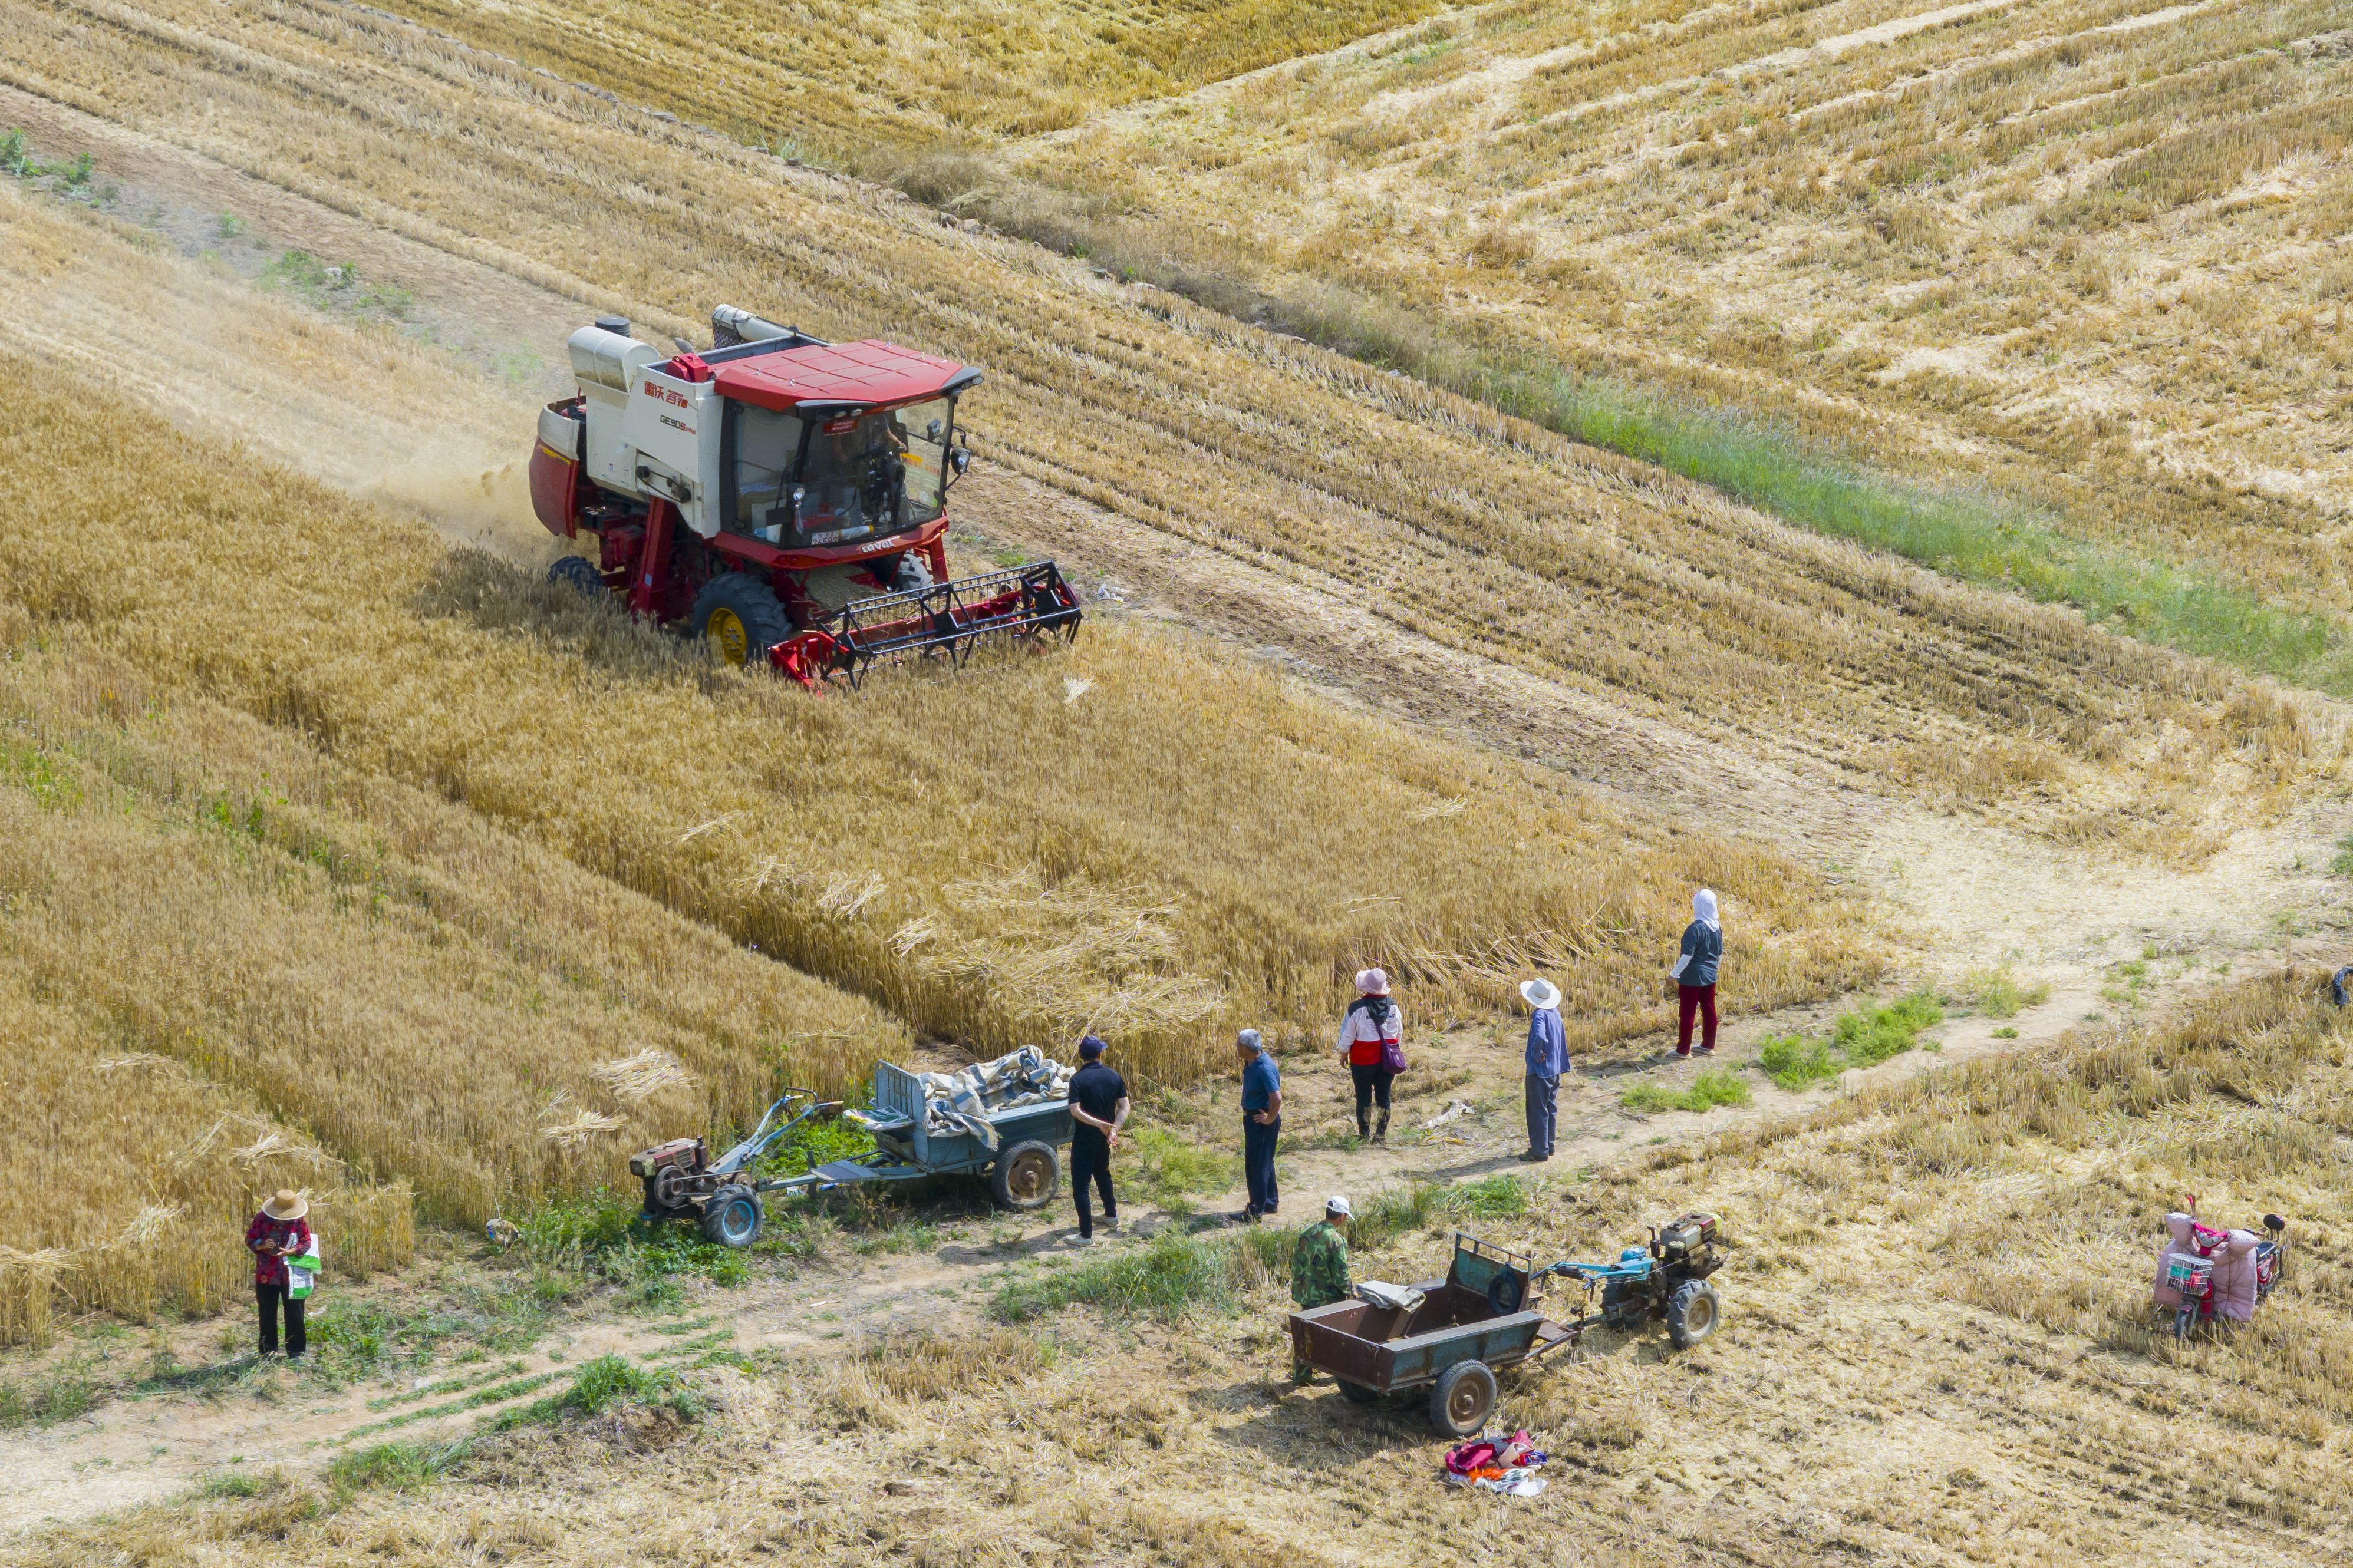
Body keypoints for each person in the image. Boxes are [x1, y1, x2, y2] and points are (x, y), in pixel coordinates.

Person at [1065, 1035, 1129, 1247]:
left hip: (1085, 1139)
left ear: (1081, 1056)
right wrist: (1113, 1129)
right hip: (1105, 1140)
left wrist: (1098, 1124)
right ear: (1100, 1054)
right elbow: (1125, 1106)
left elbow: (1075, 1111)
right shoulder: (1113, 1076)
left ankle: (1085, 1236)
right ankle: (1111, 1215)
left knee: (1081, 1187)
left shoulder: (1077, 1080)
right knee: (1103, 1175)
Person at [1290, 1196, 1355, 1384]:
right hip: (1328, 1298)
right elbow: (1341, 1275)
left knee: (1306, 1336)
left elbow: (1296, 1262)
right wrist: (1351, 1293)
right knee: (1339, 1336)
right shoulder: (1336, 1240)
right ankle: (1344, 1377)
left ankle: (1302, 1377)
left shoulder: (1306, 1232)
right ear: (1342, 1217)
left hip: (1306, 1294)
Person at [1335, 968, 1403, 1143]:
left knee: (1364, 1098)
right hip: (1387, 1062)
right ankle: (1380, 1135)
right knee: (1384, 1098)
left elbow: (1347, 1035)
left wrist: (1344, 1053)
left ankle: (1364, 1136)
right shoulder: (1394, 1007)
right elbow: (1399, 1034)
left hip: (1362, 1062)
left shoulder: (1356, 1008)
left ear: (1365, 987)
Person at [246, 1188, 313, 1361]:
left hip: (291, 1274)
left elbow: (307, 1242)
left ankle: (296, 1351)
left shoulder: (299, 1221)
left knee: (295, 1313)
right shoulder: (262, 1218)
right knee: (267, 1313)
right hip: (266, 1275)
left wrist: (292, 1250)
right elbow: (250, 1240)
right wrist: (263, 1244)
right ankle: (268, 1351)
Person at [1520, 977, 1568, 1161]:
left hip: (1540, 1072)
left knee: (1537, 1111)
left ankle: (1540, 1151)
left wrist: (1536, 1053)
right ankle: (1549, 1146)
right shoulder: (1555, 1012)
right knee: (1550, 1107)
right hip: (1555, 1070)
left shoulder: (1540, 1014)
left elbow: (1540, 1036)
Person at [1672, 889, 1724, 1057]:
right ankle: (1708, 1046)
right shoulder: (1717, 929)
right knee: (1709, 1011)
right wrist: (1714, 971)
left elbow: (1687, 956)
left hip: (1691, 978)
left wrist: (1673, 975)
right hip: (1710, 976)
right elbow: (1720, 955)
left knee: (1688, 1013)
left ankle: (1683, 1050)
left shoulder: (1694, 929)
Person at [1238, 1028, 1281, 1220]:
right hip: (1254, 1119)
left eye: (1238, 1045)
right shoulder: (1251, 1062)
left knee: (1256, 1165)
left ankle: (1254, 1211)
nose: (1236, 1048)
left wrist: (1270, 1119)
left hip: (1261, 1121)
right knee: (1265, 1162)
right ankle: (1270, 1202)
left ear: (1246, 1048)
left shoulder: (1264, 1068)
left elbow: (1277, 1097)